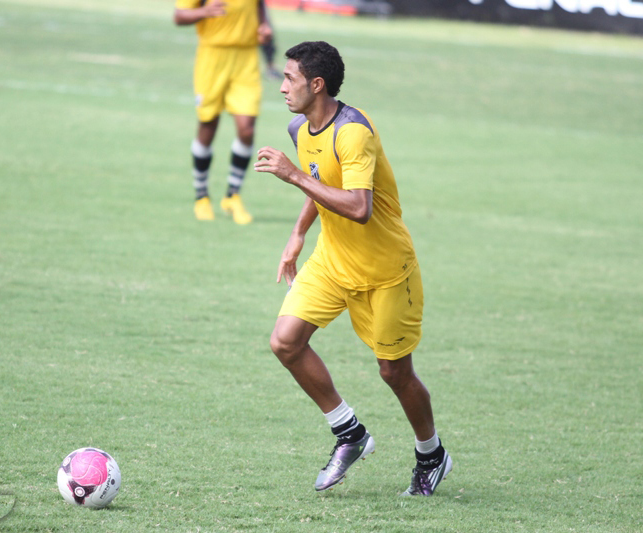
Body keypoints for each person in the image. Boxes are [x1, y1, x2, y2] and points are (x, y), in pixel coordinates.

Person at [254, 41, 452, 495]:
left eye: (290, 78)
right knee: (285, 342)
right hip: (333, 261)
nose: (282, 86)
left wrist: (293, 176)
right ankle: (350, 433)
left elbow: (360, 207)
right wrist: (299, 233)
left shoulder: (353, 132)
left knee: (394, 373)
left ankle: (432, 454)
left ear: (316, 84)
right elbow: (322, 179)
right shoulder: (300, 127)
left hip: (385, 270)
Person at [174, 0, 273, 225]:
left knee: (247, 130)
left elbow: (259, 5)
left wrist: (264, 26)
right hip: (213, 56)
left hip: (246, 57)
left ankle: (232, 196)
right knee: (208, 124)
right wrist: (204, 11)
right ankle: (201, 197)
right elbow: (179, 16)